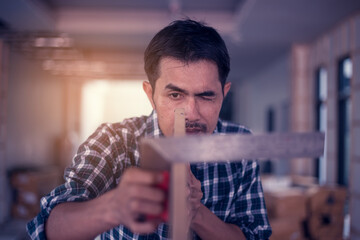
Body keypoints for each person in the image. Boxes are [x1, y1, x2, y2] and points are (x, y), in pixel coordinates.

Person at [27, 19, 272, 240]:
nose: (191, 113)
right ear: (150, 94)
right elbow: (49, 228)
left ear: (224, 94)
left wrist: (197, 213)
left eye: (206, 96)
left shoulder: (240, 144)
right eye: (175, 95)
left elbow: (253, 237)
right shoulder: (115, 141)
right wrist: (114, 206)